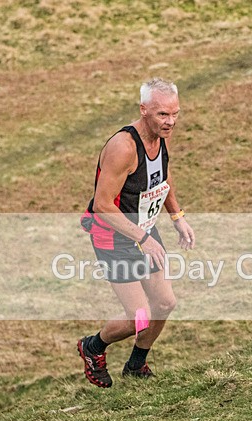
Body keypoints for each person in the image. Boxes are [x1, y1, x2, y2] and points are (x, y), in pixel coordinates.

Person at [77, 77, 195, 388]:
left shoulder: (159, 136)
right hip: (113, 235)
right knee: (137, 318)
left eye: (175, 114)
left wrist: (177, 216)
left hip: (143, 230)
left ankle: (136, 365)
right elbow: (102, 205)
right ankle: (93, 347)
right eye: (162, 115)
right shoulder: (123, 147)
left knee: (165, 303)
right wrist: (143, 238)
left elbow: (161, 177)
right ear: (143, 110)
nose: (170, 122)